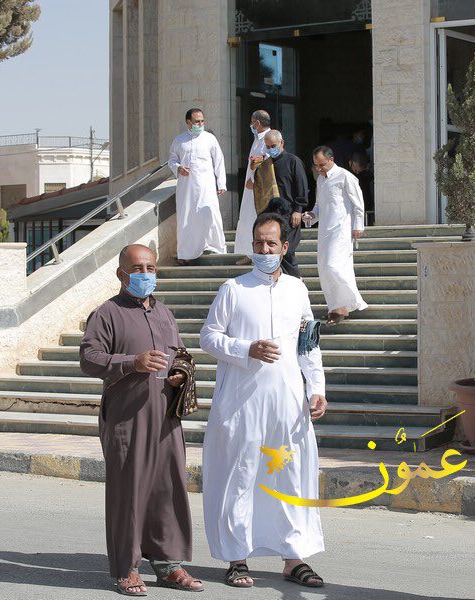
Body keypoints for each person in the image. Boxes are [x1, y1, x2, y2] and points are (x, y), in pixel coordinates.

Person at [200, 213, 328, 590]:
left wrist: (316, 388)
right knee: (241, 475)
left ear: (284, 247)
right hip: (242, 403)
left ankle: (294, 558)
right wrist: (246, 348)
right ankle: (237, 558)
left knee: (290, 475)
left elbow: (308, 343)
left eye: (272, 243)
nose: (265, 250)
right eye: (259, 243)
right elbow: (208, 337)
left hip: (287, 402)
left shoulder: (297, 290)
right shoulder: (234, 289)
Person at [80, 244, 203, 596]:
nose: (145, 274)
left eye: (150, 268)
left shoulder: (164, 313)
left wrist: (180, 372)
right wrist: (131, 362)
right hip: (127, 418)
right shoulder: (107, 313)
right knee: (129, 492)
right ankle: (128, 568)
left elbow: (181, 355)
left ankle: (168, 564)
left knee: (168, 489)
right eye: (137, 269)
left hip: (165, 416)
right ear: (121, 274)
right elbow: (89, 358)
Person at [303, 146, 368, 324]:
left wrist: (358, 226)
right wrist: (311, 215)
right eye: (316, 165)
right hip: (324, 231)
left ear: (331, 160)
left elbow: (358, 204)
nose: (318, 169)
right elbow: (319, 206)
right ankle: (335, 308)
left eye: (321, 164)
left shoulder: (345, 176)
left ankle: (347, 305)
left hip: (341, 230)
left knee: (334, 266)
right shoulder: (320, 180)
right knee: (324, 269)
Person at [168, 108, 227, 266]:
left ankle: (215, 248)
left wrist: (221, 183)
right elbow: (172, 159)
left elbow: (219, 160)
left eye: (202, 121)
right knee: (186, 217)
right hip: (186, 187)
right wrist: (178, 168)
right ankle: (186, 253)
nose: (200, 124)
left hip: (207, 185)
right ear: (189, 122)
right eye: (197, 121)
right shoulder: (179, 140)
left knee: (211, 214)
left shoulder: (210, 139)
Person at [253, 129, 308, 278]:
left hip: (289, 214)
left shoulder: (293, 161)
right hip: (271, 215)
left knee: (287, 251)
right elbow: (257, 187)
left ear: (281, 143)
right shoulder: (265, 165)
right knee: (273, 252)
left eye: (273, 146)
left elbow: (301, 186)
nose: (271, 149)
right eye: (268, 146)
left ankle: (295, 280)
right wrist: (254, 169)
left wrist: (298, 209)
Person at [234, 110, 271, 265]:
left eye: (251, 122)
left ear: (257, 123)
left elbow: (268, 162)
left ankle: (259, 254)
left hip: (260, 188)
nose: (250, 125)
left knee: (258, 220)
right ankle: (249, 254)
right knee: (247, 219)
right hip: (251, 188)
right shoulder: (257, 139)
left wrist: (255, 180)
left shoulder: (269, 138)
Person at [348, 151, 375, 226]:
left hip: (364, 203)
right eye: (356, 170)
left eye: (358, 171)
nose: (357, 173)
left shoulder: (365, 175)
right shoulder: (348, 175)